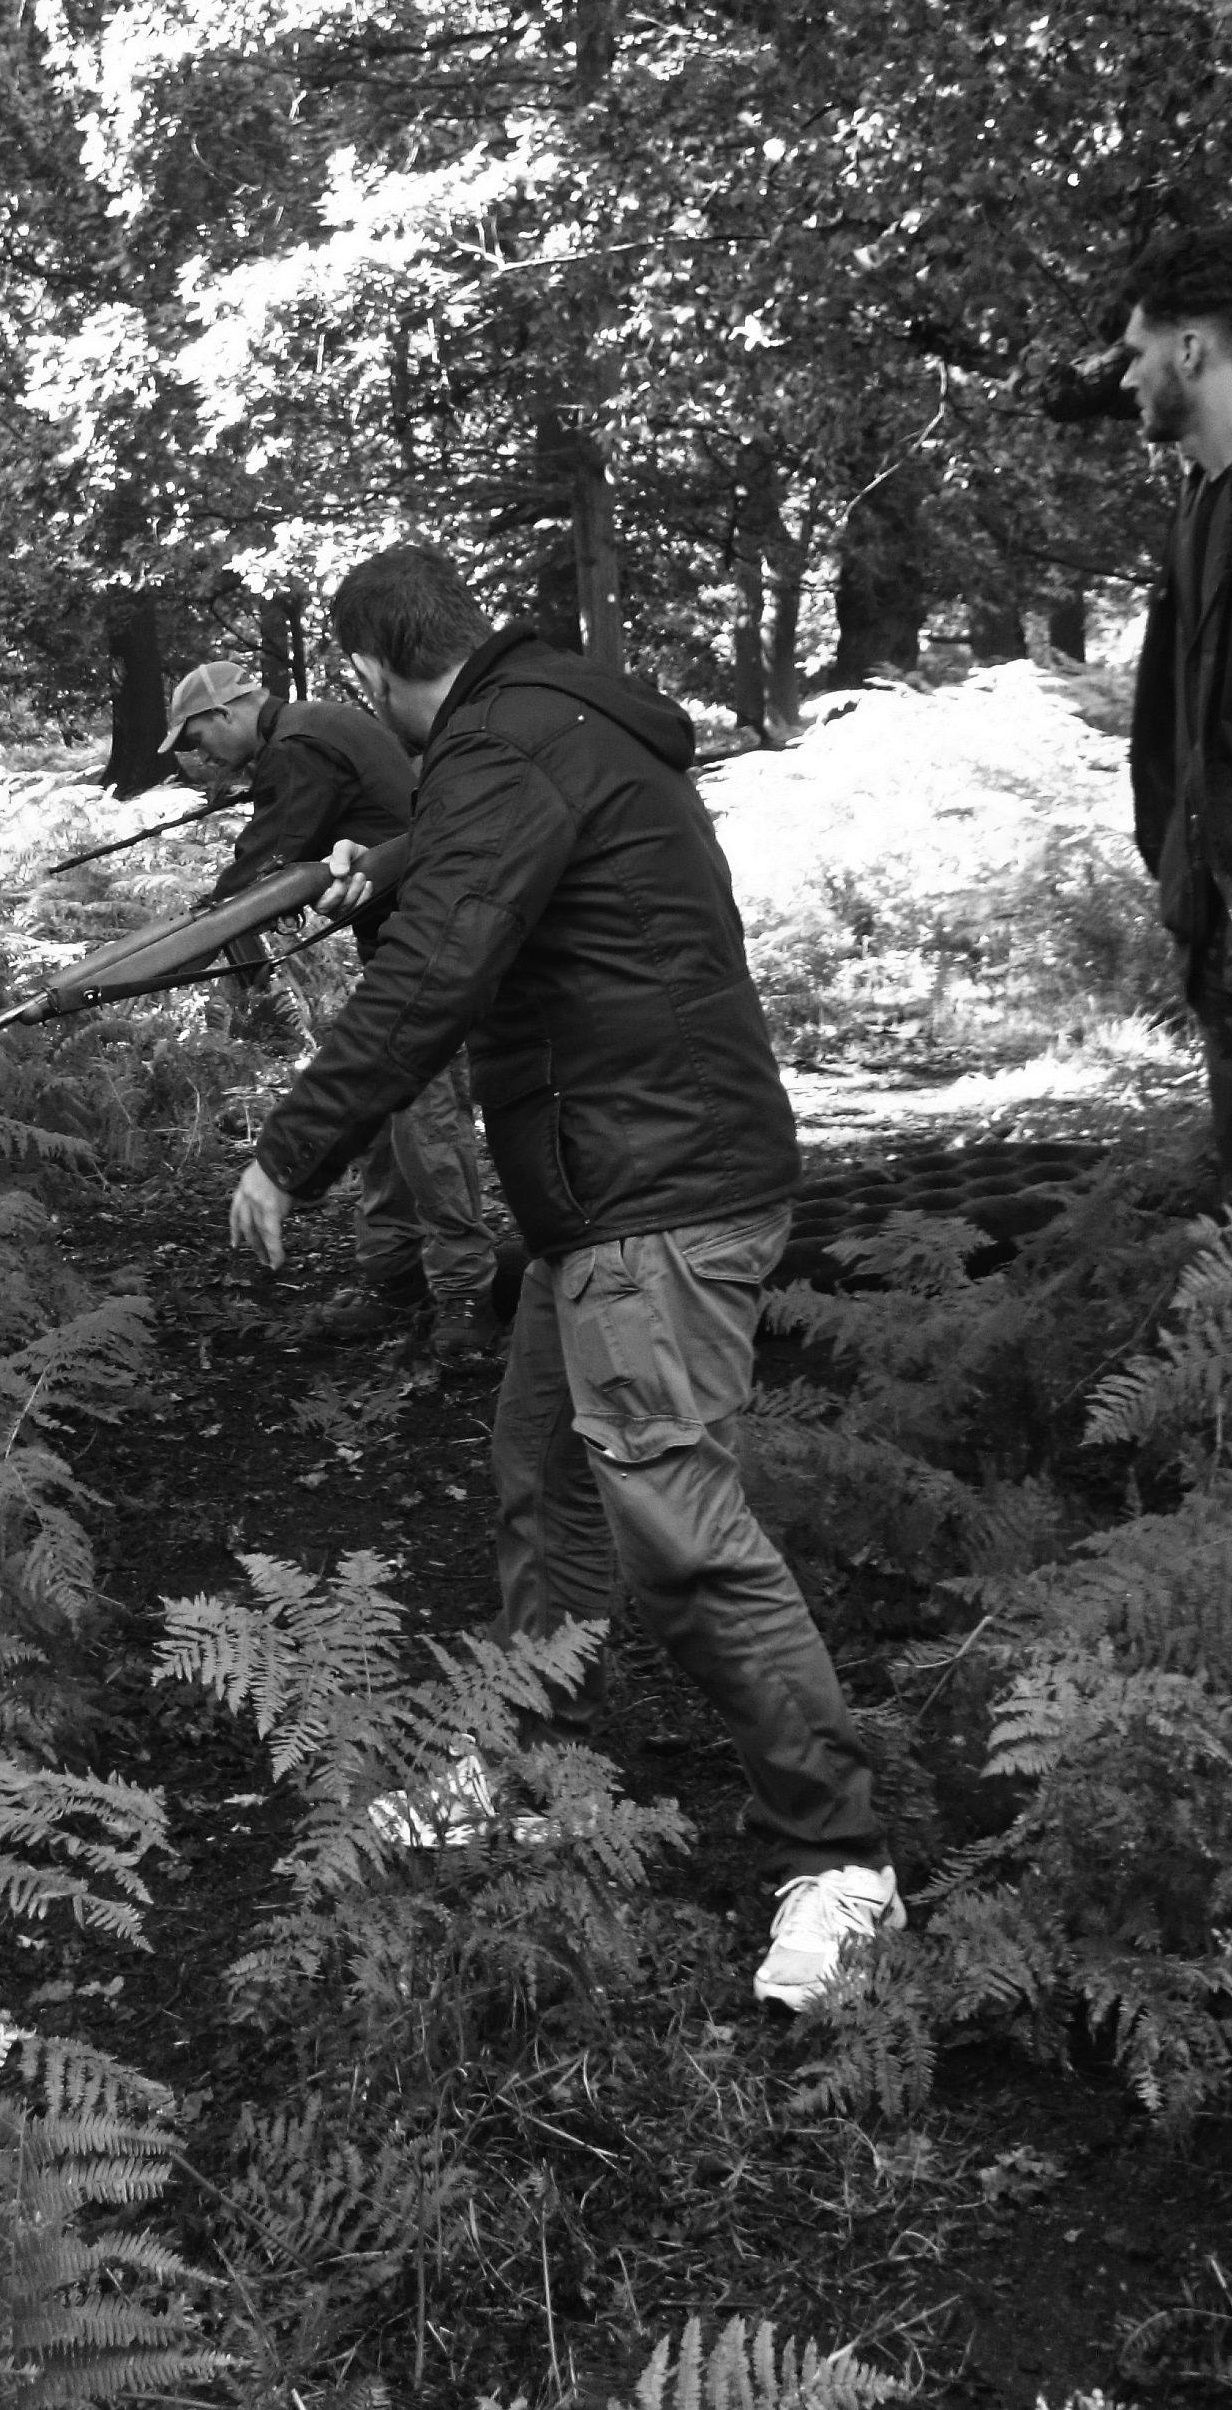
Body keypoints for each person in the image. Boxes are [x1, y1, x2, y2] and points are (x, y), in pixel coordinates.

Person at [225, 547, 897, 2011]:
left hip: (654, 1190)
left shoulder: (506, 741)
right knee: (544, 1467)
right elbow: (499, 881)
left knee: (676, 1525)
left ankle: (838, 1858)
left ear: (368, 671)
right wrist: (391, 866)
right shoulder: (549, 718)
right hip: (613, 1186)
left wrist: (289, 1152)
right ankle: (532, 1762)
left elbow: (445, 970)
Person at [159, 656, 501, 1358]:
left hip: (426, 947)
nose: (202, 759)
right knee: (386, 1110)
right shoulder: (319, 727)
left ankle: (467, 1290)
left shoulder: (296, 749)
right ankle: (394, 1273)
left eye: (196, 740)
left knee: (424, 1113)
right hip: (411, 936)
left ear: (226, 713)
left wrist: (206, 926)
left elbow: (266, 865)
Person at [1119, 226, 1232, 1191]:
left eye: (1136, 353)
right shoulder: (1203, 500)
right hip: (1219, 927)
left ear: (1189, 349)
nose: (1126, 378)